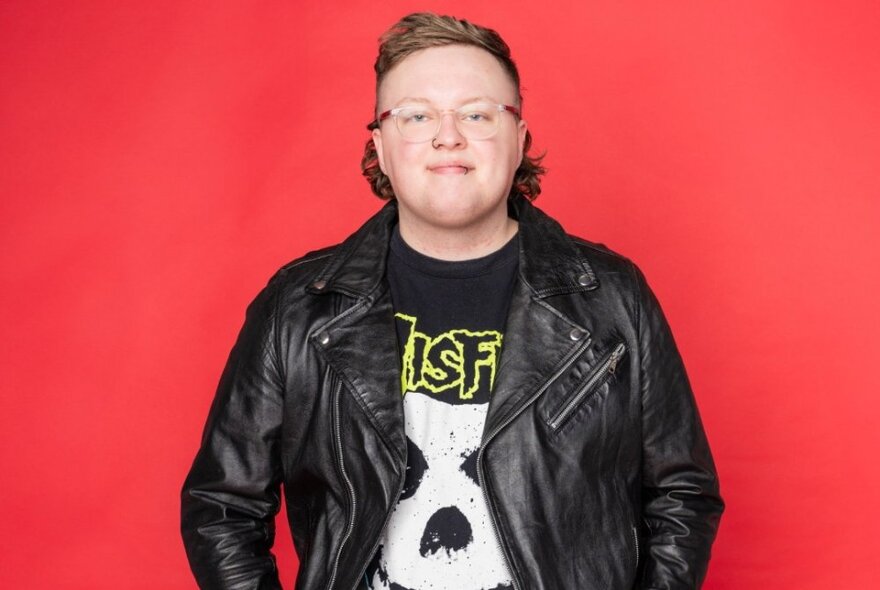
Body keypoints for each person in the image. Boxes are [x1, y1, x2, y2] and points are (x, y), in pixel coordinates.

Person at [181, 12, 723, 590]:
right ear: (381, 147)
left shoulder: (611, 297)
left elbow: (682, 496)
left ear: (518, 140)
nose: (448, 135)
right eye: (416, 115)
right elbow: (222, 507)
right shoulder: (298, 307)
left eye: (476, 114)